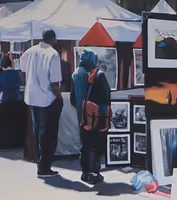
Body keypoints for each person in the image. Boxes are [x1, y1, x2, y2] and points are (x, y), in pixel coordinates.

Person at [19, 29, 65, 177]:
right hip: (47, 98)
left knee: (38, 132)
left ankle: (41, 165)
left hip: (32, 98)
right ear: (52, 39)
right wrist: (59, 97)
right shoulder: (53, 54)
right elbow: (54, 81)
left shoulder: (30, 51)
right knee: (48, 135)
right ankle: (44, 167)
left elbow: (22, 69)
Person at [72, 50, 111, 186]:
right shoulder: (98, 75)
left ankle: (85, 172)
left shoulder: (76, 74)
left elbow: (72, 98)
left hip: (81, 113)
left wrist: (80, 106)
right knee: (96, 144)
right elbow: (106, 97)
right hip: (96, 114)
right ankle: (94, 172)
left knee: (85, 143)